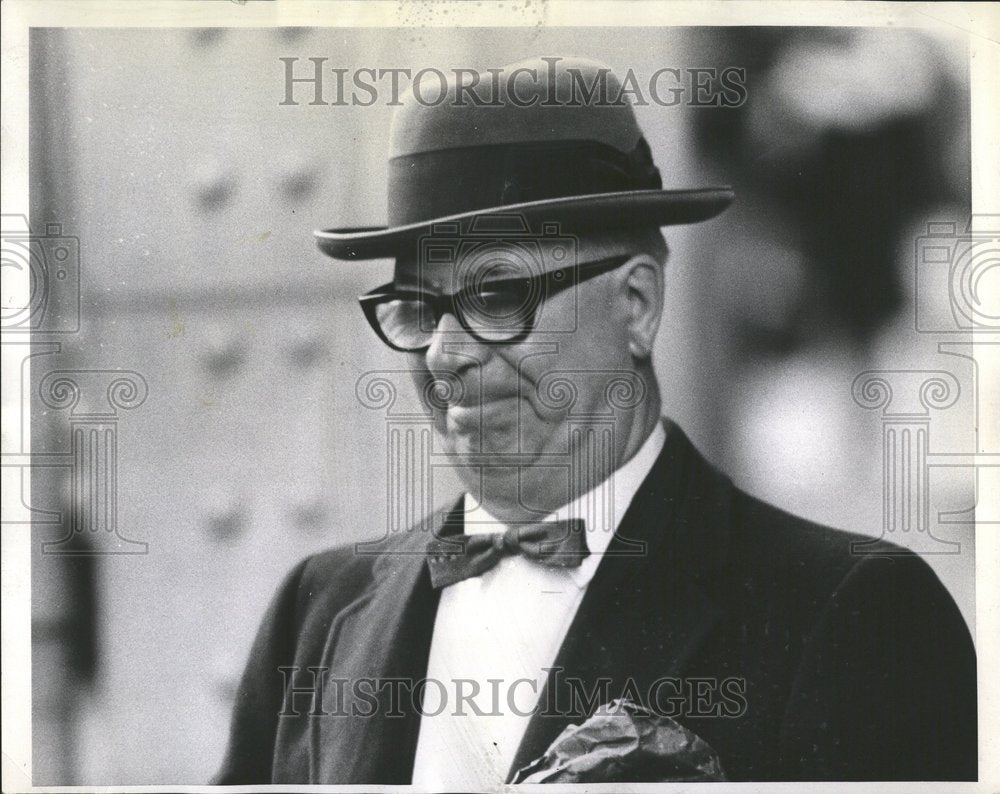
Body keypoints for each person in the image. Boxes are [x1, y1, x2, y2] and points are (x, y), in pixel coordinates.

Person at [214, 57, 976, 785]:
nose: (444, 355)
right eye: (417, 307)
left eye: (497, 296)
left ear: (637, 306)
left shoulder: (856, 617)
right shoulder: (312, 613)